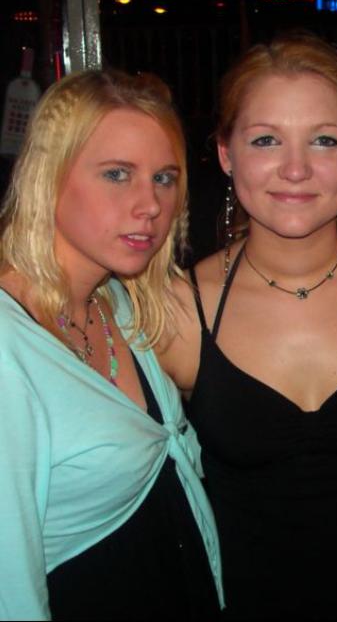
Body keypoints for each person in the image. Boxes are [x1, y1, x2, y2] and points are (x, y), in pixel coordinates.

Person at [157, 33, 337, 620]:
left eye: (324, 139)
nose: (296, 169)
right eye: (265, 140)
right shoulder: (178, 309)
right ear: (226, 154)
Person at [0, 69, 224, 620]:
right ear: (49, 176)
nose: (150, 204)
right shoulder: (8, 347)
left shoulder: (118, 301)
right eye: (117, 174)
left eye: (164, 178)